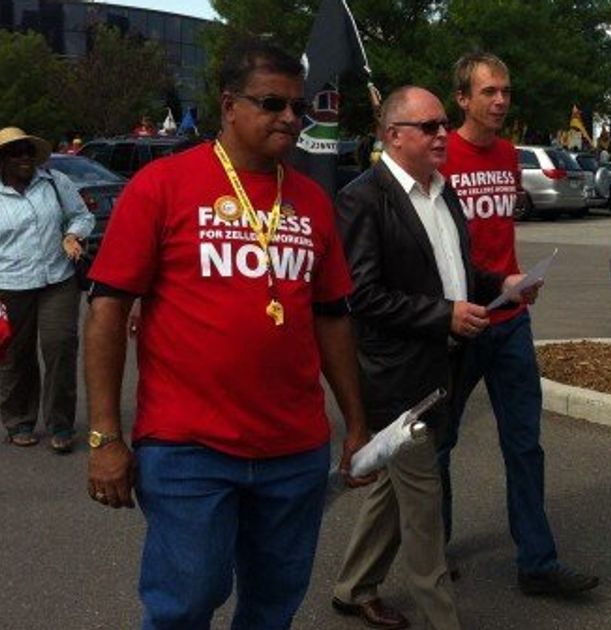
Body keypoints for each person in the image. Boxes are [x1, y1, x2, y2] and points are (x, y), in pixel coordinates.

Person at [82, 39, 372, 628]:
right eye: (273, 103)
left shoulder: (312, 202)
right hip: (189, 448)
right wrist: (104, 437)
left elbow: (332, 316)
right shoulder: (163, 185)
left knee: (272, 605)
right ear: (229, 105)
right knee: (184, 602)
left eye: (300, 107)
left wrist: (357, 425)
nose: (291, 118)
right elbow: (109, 309)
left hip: (293, 451)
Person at [330, 85, 528, 630]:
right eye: (430, 126)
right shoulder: (363, 198)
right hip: (397, 378)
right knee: (423, 510)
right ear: (394, 136)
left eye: (444, 123)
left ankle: (353, 586)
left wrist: (503, 282)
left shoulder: (445, 192)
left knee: (395, 488)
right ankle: (443, 619)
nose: (444, 134)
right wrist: (444, 315)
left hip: (445, 366)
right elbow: (361, 296)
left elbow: (456, 273)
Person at [438, 52, 599, 596]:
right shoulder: (441, 155)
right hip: (460, 324)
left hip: (511, 319)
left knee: (525, 445)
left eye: (505, 91)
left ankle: (537, 561)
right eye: (489, 92)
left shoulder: (509, 154)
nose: (501, 100)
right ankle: (431, 552)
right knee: (440, 442)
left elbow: (500, 234)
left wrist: (521, 278)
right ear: (463, 98)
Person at [0, 127, 94, 452]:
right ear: (1, 160)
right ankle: (19, 420)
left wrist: (73, 234)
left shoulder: (55, 183)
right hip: (6, 289)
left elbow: (82, 216)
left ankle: (60, 424)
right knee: (16, 357)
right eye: (15, 152)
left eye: (27, 152)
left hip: (56, 282)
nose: (23, 158)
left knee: (60, 347)